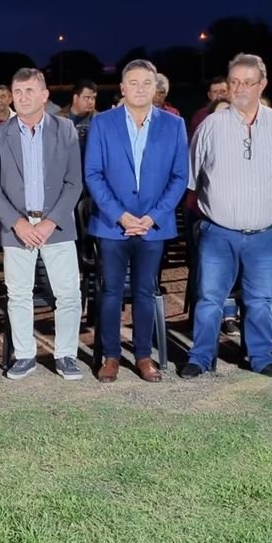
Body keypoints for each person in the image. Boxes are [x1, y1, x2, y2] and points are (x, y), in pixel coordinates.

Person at [183, 54, 272, 380]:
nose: (240, 88)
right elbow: (193, 180)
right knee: (209, 298)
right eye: (234, 82)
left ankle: (261, 358)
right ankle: (201, 357)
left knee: (261, 300)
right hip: (218, 233)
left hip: (266, 234)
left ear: (262, 84)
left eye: (248, 82)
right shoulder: (210, 126)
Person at [86, 59, 188, 383]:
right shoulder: (102, 123)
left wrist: (152, 217)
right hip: (112, 225)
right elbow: (93, 173)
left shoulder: (174, 125)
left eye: (147, 82)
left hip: (152, 227)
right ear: (122, 88)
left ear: (156, 87)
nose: (140, 88)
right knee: (111, 291)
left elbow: (180, 176)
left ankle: (144, 356)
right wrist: (121, 215)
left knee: (145, 291)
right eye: (133, 82)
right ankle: (111, 356)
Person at [0, 68, 84, 381]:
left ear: (44, 95)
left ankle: (66, 355)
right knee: (18, 294)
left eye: (29, 91)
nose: (23, 97)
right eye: (18, 92)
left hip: (57, 226)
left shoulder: (65, 129)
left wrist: (50, 222)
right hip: (17, 228)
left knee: (68, 294)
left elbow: (74, 183)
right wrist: (17, 223)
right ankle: (24, 355)